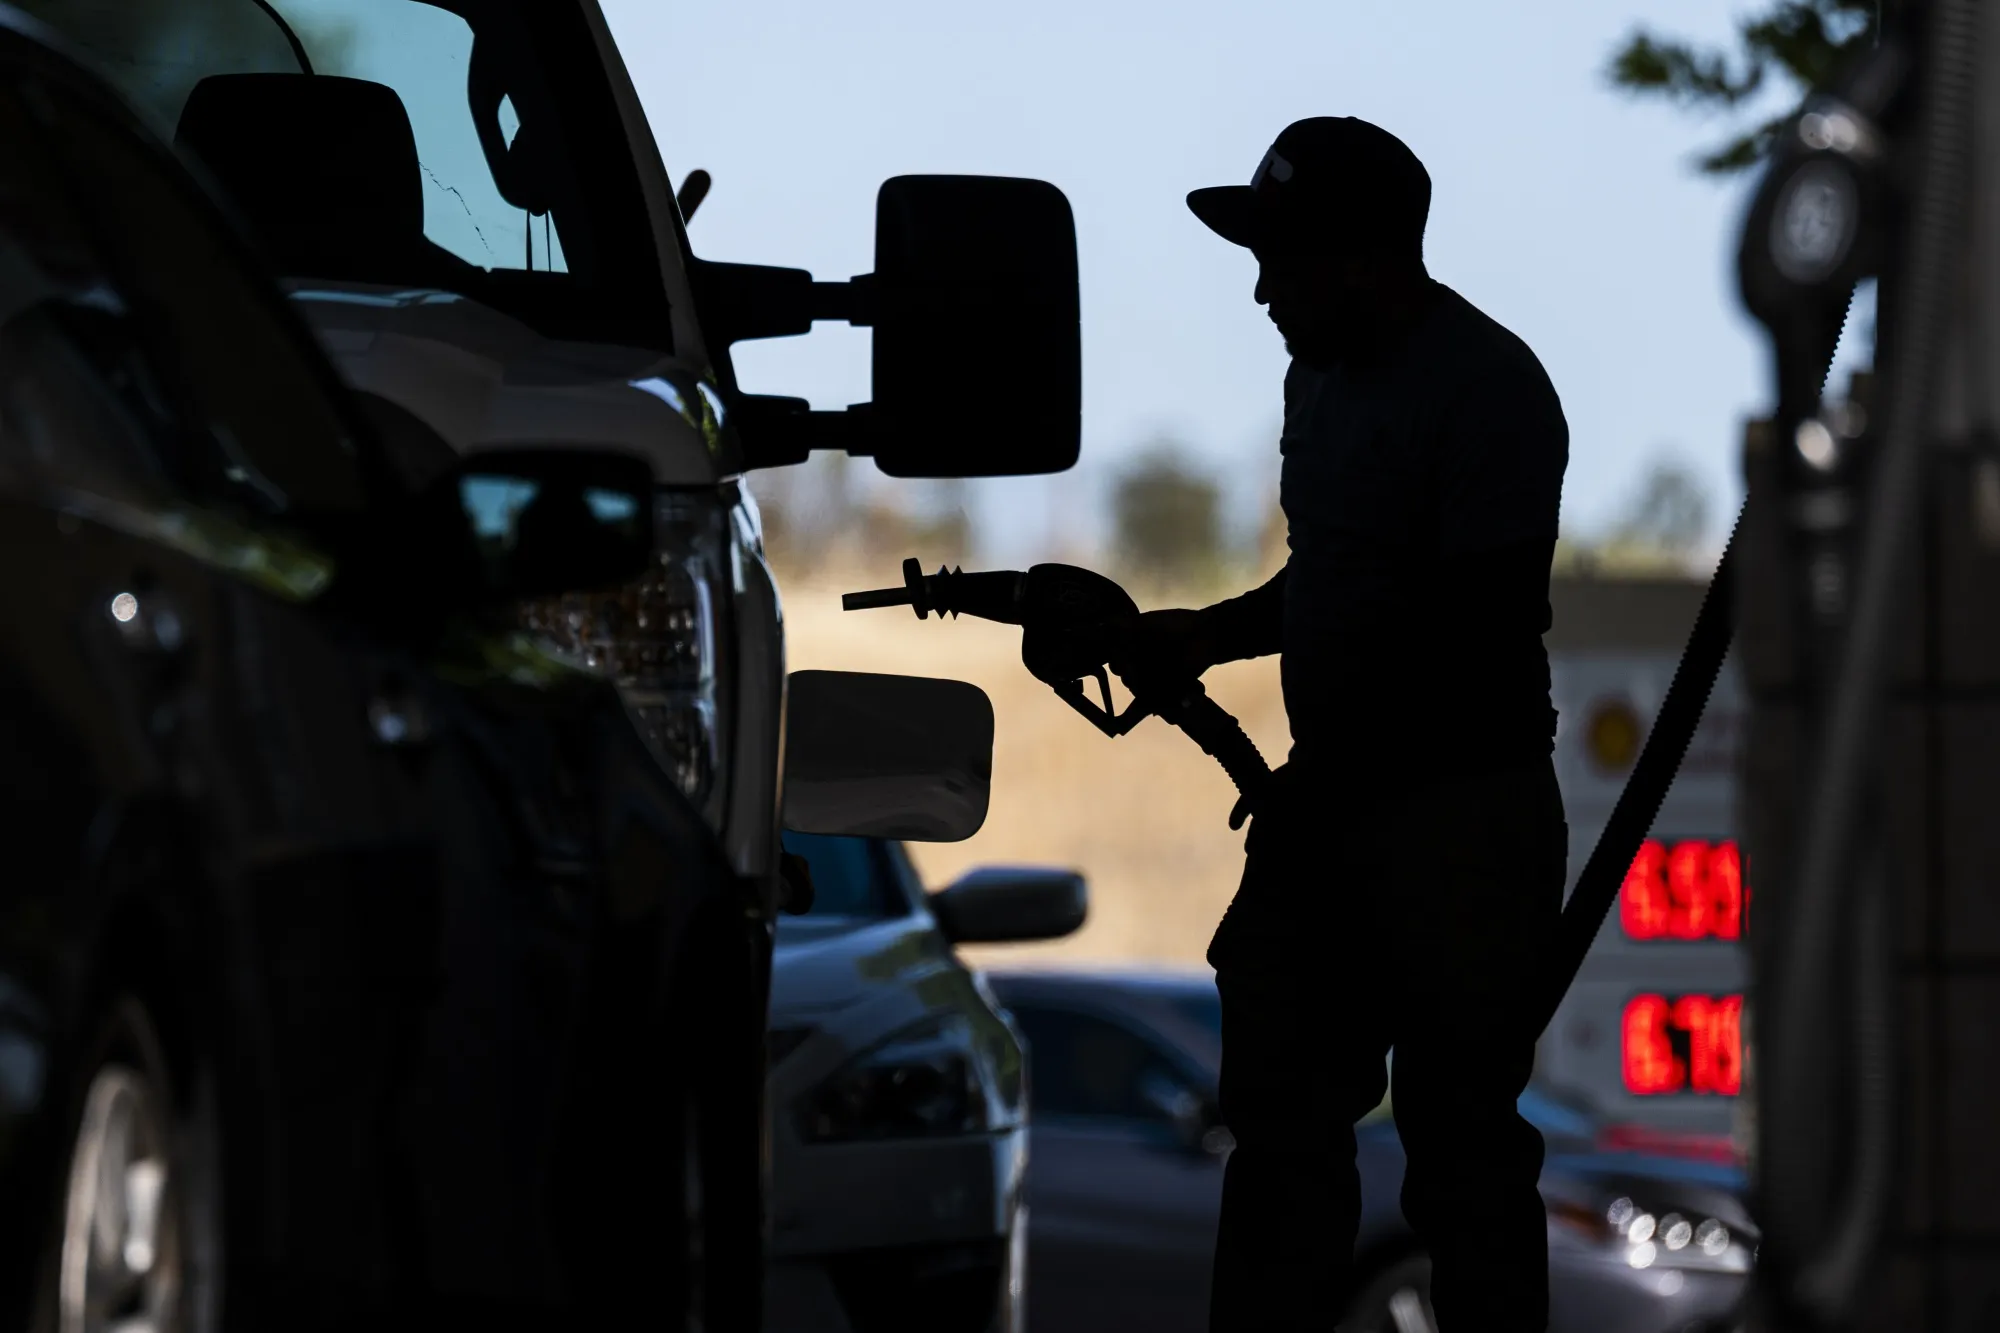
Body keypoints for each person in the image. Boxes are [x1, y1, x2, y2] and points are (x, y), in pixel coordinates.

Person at [1117, 118, 1570, 1332]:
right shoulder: (1312, 375)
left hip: (1458, 826)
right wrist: (1195, 635)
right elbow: (1332, 580)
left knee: (1461, 1147)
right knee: (1277, 1126)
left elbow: (1470, 633)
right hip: (1337, 807)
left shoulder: (1489, 393)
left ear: (1363, 261)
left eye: (1283, 261)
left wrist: (1335, 786)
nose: (1261, 289)